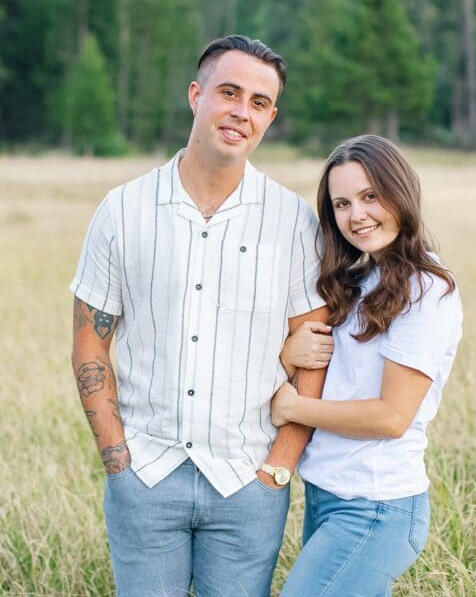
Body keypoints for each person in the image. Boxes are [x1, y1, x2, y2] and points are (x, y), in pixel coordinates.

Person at [70, 35, 329, 595]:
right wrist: (117, 457)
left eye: (259, 102)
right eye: (229, 92)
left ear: (271, 117)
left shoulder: (291, 221)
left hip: (247, 483)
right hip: (146, 473)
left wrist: (278, 469)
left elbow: (316, 348)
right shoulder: (122, 209)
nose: (242, 111)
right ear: (196, 95)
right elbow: (90, 341)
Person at [269, 135, 463, 596]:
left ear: (400, 193)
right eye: (341, 203)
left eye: (370, 196)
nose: (356, 215)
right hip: (327, 495)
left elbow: (391, 417)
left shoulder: (426, 289)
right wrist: (287, 353)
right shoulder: (359, 279)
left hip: (377, 507)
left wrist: (292, 409)